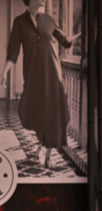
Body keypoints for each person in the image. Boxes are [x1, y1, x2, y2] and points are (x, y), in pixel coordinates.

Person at [0, 0, 80, 169]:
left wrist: (81, 33)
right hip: (33, 76)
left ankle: (48, 154)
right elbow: (13, 51)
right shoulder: (19, 22)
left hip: (53, 75)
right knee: (36, 113)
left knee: (53, 114)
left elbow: (65, 41)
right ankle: (42, 146)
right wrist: (4, 72)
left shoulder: (49, 20)